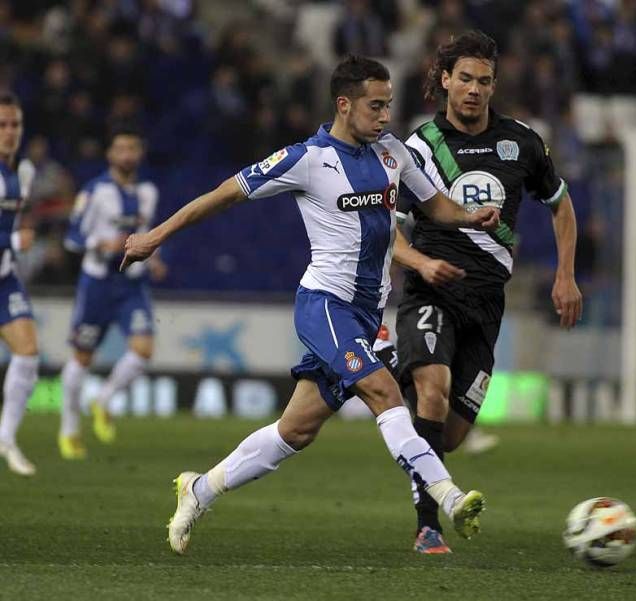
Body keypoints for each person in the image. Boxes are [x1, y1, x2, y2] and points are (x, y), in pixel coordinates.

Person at [120, 55, 500, 555]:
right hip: (324, 304)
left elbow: (435, 206)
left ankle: (200, 488)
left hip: (365, 315)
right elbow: (222, 195)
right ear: (345, 105)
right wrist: (157, 236)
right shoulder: (306, 159)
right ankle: (448, 498)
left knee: (296, 431)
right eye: (376, 106)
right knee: (385, 391)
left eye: (389, 105)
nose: (386, 117)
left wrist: (472, 217)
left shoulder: (392, 153)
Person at [392, 30, 583, 553]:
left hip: (486, 304)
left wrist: (565, 275)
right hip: (429, 293)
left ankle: (393, 374)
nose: (475, 90)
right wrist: (423, 263)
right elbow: (387, 233)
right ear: (445, 81)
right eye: (466, 79)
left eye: (485, 81)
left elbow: (561, 206)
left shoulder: (521, 141)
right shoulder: (419, 149)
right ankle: (427, 525)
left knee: (449, 436)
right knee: (432, 387)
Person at [57, 125, 166, 459]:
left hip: (132, 284)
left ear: (140, 154)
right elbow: (72, 238)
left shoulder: (148, 191)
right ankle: (69, 430)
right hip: (98, 285)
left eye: (132, 149)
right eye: (121, 149)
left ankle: (103, 399)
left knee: (143, 350)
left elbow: (145, 234)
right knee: (82, 357)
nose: (127, 155)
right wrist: (102, 243)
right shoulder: (95, 192)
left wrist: (156, 258)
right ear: (110, 155)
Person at [0, 93, 40, 477]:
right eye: (2, 125)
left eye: (15, 125)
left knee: (28, 352)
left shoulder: (23, 172)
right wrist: (13, 241)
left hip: (4, 279)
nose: (10, 132)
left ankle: (6, 439)